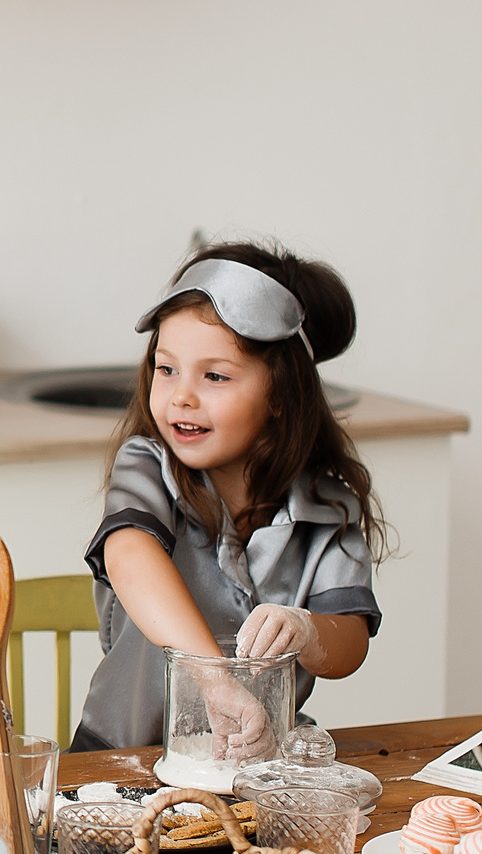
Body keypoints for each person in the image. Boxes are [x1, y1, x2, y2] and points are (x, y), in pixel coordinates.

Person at [69, 240, 387, 755]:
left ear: (282, 394)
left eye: (214, 376)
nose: (182, 396)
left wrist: (306, 630)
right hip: (122, 762)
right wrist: (212, 680)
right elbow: (129, 553)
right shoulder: (148, 465)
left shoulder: (330, 505)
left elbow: (350, 644)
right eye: (166, 369)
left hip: (258, 767)